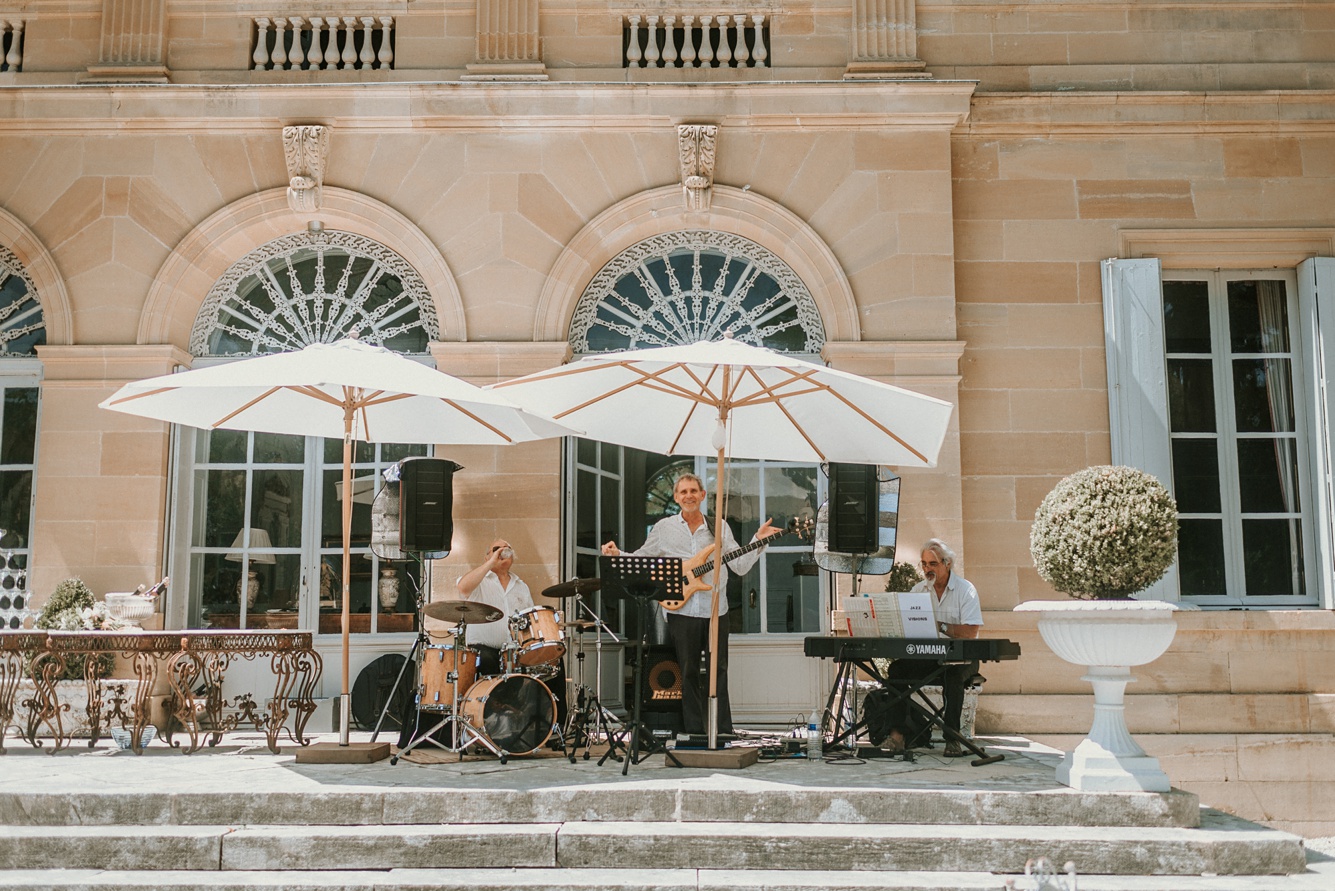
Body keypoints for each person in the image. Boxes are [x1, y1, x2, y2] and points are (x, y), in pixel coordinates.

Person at [601, 473, 780, 736]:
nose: (689, 496)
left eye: (694, 491)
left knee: (718, 672)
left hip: (716, 608)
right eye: (683, 492)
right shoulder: (664, 528)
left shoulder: (717, 526)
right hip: (681, 609)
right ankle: (695, 732)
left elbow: (739, 566)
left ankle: (722, 732)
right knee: (688, 673)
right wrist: (617, 555)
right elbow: (642, 560)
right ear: (676, 497)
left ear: (702, 495)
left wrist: (758, 541)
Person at [870, 538, 983, 757]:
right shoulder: (918, 590)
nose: (927, 569)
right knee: (897, 671)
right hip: (928, 657)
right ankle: (897, 736)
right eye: (923, 564)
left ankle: (953, 739)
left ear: (947, 563)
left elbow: (970, 632)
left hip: (962, 658)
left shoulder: (966, 590)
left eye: (933, 564)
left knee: (953, 676)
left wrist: (940, 625)